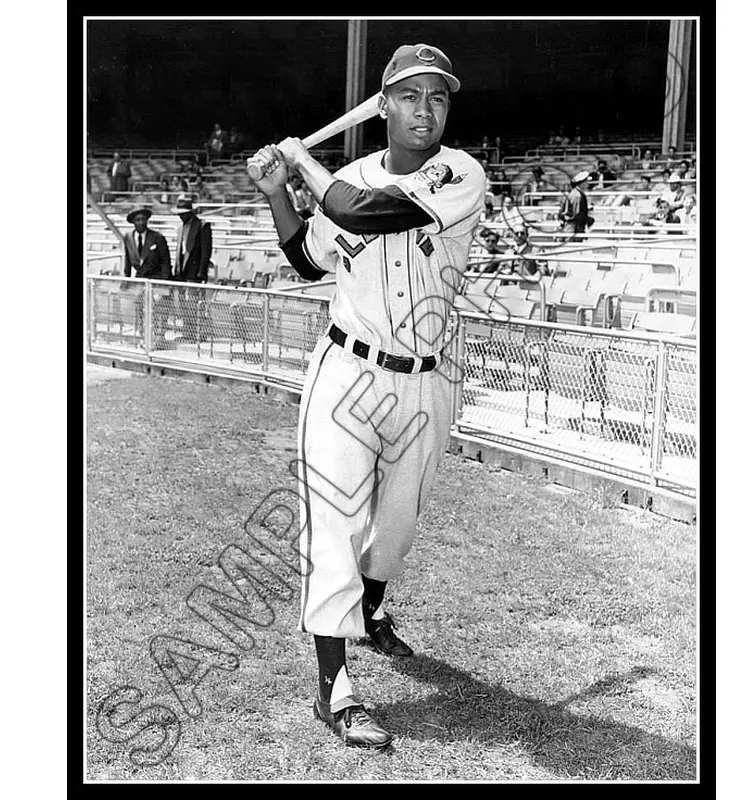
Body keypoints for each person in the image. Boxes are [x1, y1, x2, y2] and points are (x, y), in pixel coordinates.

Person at [247, 41, 485, 749]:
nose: (425, 108)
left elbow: (366, 213)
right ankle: (335, 689)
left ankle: (371, 610)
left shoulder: (459, 174)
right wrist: (276, 196)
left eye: (437, 96)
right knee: (335, 525)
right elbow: (304, 257)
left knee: (398, 526)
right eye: (410, 95)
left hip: (429, 376)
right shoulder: (339, 179)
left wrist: (303, 164)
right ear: (383, 107)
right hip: (348, 373)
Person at [122, 207, 173, 348]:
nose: (141, 222)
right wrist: (126, 280)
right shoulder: (128, 238)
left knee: (158, 309)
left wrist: (164, 283)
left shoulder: (157, 237)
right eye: (137, 220)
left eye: (143, 219)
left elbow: (165, 261)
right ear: (133, 222)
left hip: (156, 278)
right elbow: (127, 260)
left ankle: (159, 338)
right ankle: (144, 338)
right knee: (141, 309)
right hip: (140, 279)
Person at [171, 197, 212, 341]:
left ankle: (198, 332)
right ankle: (188, 331)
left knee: (195, 304)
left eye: (184, 213)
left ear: (191, 212)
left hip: (195, 270)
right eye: (179, 214)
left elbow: (206, 251)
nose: (181, 216)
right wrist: (176, 270)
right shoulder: (180, 228)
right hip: (181, 271)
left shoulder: (202, 225)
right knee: (183, 304)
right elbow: (179, 250)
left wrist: (202, 271)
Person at [558, 170, 593, 241]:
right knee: (572, 247)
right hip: (574, 226)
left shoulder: (576, 193)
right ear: (581, 183)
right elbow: (577, 214)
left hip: (573, 225)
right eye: (586, 181)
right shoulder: (577, 195)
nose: (587, 183)